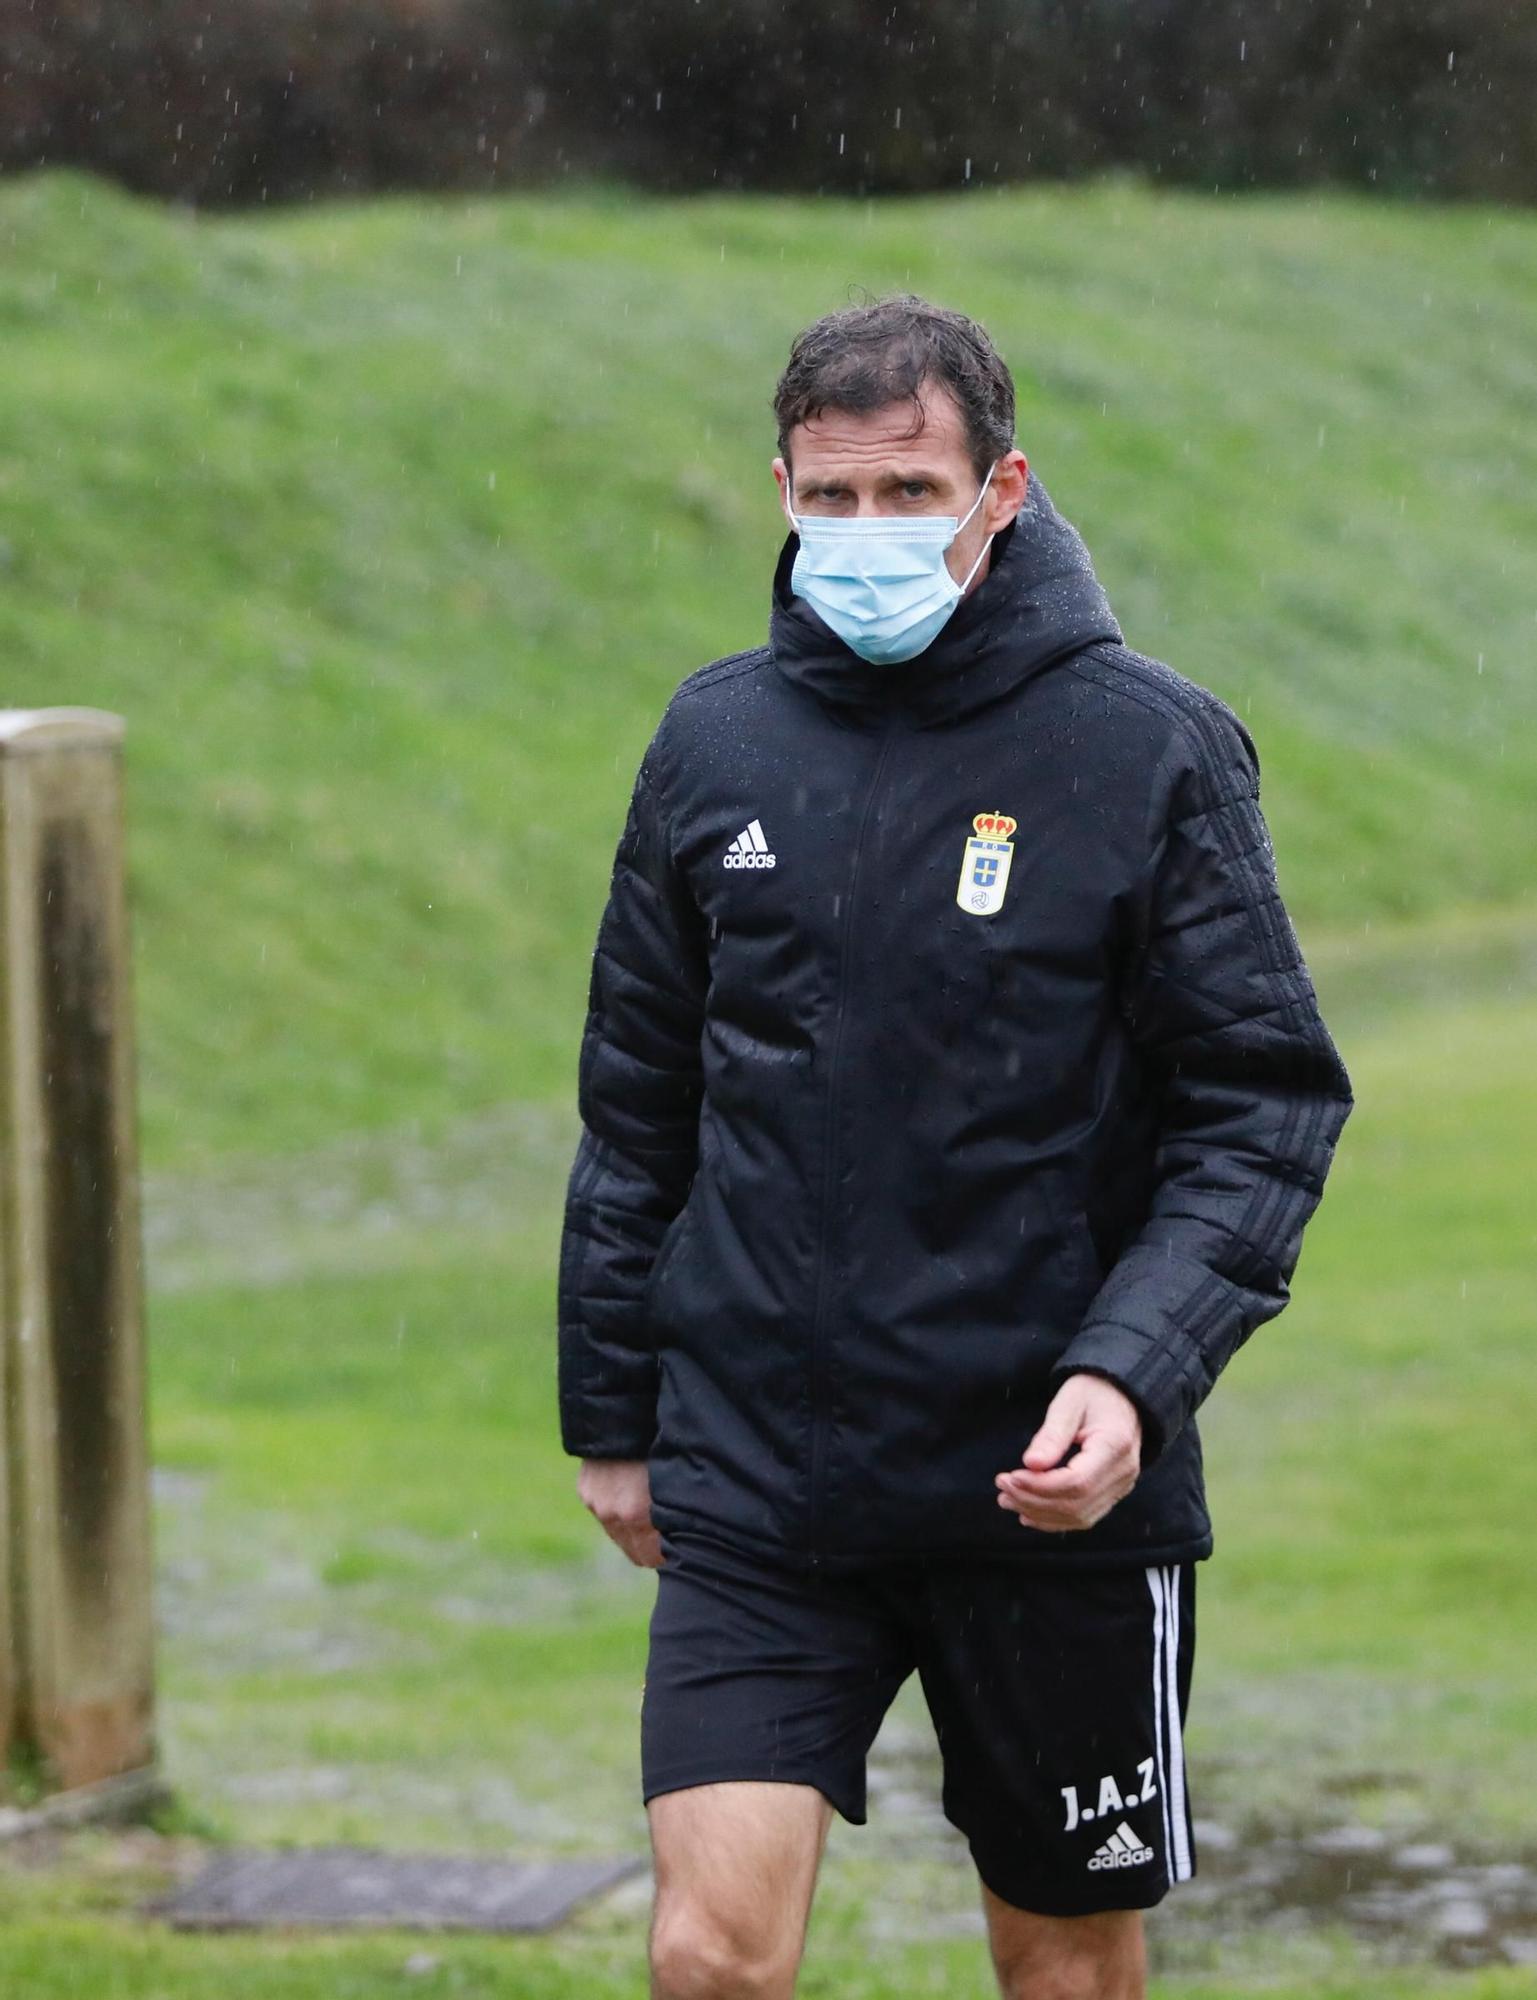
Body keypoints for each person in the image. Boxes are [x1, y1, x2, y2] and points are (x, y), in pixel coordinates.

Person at [556, 294, 1354, 2000]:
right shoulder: (712, 744)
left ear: (1001, 489)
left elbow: (1261, 1101)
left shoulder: (1149, 749)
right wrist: (611, 1413)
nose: (866, 536)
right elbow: (637, 1107)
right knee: (709, 1958)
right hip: (764, 1484)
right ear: (778, 487)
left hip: (1045, 1492)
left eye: (908, 493)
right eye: (829, 500)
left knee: (1061, 1971)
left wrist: (1133, 1378)